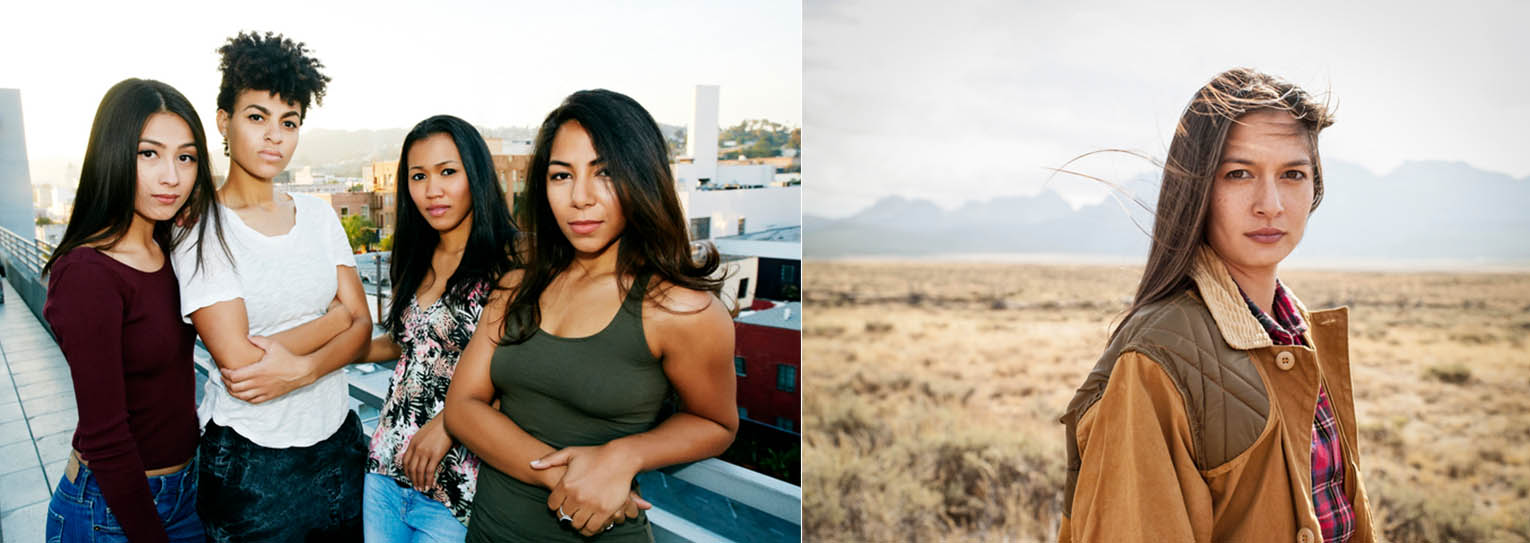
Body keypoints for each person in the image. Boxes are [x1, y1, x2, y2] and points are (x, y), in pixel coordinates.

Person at [1058, 68, 1374, 543]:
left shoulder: (1300, 332)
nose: (1270, 204)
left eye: (1292, 174)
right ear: (1197, 189)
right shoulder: (1155, 361)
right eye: (1239, 173)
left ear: (1315, 190)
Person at [444, 89, 739, 542]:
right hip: (488, 531)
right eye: (561, 176)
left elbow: (716, 423)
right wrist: (565, 478)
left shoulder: (680, 307)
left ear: (643, 179)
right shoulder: (516, 287)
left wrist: (624, 456)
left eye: (605, 173)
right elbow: (461, 408)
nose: (580, 197)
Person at [171, 31, 372, 541]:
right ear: (224, 121)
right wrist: (332, 321)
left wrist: (302, 369)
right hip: (251, 466)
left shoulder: (318, 215)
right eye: (256, 117)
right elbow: (242, 367)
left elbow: (364, 324)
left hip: (340, 446)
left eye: (289, 122)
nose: (274, 136)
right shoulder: (201, 228)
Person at [41, 78, 220, 543]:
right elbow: (106, 436)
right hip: (111, 510)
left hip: (184, 491)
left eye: (186, 157)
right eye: (149, 154)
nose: (172, 176)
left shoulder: (170, 249)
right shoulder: (87, 273)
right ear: (114, 154)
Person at [360, 115, 518, 541]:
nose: (432, 190)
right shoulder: (415, 255)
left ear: (477, 175)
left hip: (459, 484)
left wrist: (450, 422)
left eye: (448, 172)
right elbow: (409, 344)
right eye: (418, 176)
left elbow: (525, 376)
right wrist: (336, 349)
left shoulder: (514, 263)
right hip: (386, 467)